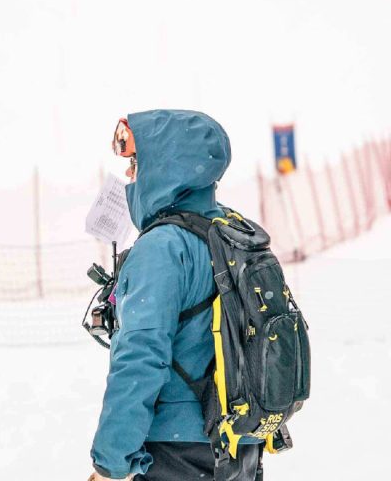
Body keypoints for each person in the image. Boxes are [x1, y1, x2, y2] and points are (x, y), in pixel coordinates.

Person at [89, 110, 263, 481]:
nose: (129, 177)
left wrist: (110, 462)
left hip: (176, 450)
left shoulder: (163, 247)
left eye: (136, 164)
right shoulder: (233, 231)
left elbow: (140, 356)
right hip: (237, 444)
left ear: (164, 167)